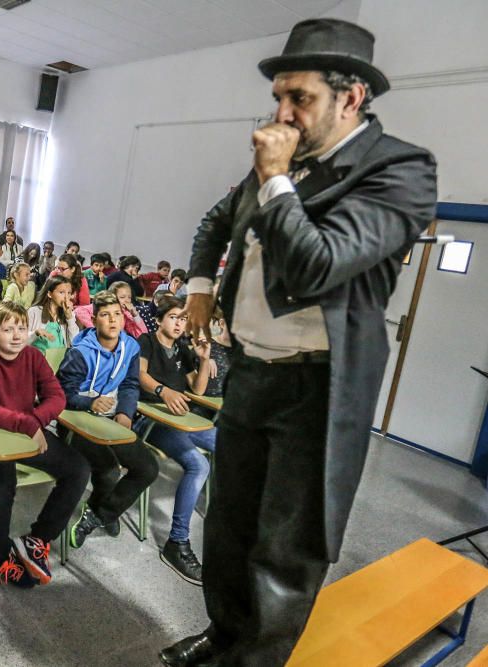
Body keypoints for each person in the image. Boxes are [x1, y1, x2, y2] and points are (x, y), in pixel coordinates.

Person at [160, 19, 438, 667]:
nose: (281, 113)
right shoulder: (277, 163)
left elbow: (317, 265)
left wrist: (278, 177)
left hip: (317, 388)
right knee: (227, 526)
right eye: (278, 97)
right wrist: (201, 284)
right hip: (251, 370)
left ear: (351, 98)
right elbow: (216, 219)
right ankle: (223, 637)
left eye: (300, 98)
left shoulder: (398, 169)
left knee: (284, 550)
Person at [0, 302, 88, 587]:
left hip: (25, 432)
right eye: (7, 329)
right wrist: (28, 424)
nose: (16, 335)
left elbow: (56, 397)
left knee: (78, 468)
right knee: (1, 486)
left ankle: (37, 539)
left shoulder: (33, 356)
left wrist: (34, 420)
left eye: (21, 328)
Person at [57, 291, 155, 547]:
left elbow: (131, 384)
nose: (112, 320)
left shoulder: (131, 348)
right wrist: (89, 402)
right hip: (76, 423)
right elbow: (61, 395)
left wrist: (125, 412)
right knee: (110, 471)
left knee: (148, 468)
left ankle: (100, 513)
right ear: (95, 320)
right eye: (105, 315)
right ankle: (104, 507)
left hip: (111, 420)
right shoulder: (80, 352)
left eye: (116, 315)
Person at [132, 296, 215, 585]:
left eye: (183, 319)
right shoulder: (146, 341)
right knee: (199, 465)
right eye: (173, 317)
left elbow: (199, 388)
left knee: (231, 445)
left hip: (181, 418)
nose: (179, 323)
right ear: (159, 319)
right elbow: (140, 374)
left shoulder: (182, 347)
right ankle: (177, 543)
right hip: (152, 419)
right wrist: (162, 391)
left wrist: (204, 359)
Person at [75, 280, 148, 339]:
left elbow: (142, 336)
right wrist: (97, 330)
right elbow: (79, 311)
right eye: (122, 297)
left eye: (129, 297)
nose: (127, 301)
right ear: (112, 297)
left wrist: (135, 315)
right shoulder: (101, 306)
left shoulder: (125, 314)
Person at [27, 275, 79, 352]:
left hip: (60, 359)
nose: (66, 297)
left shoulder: (69, 314)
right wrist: (36, 333)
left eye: (69, 293)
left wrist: (69, 318)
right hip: (38, 359)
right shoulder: (34, 312)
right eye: (61, 292)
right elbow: (22, 340)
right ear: (49, 294)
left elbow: (75, 342)